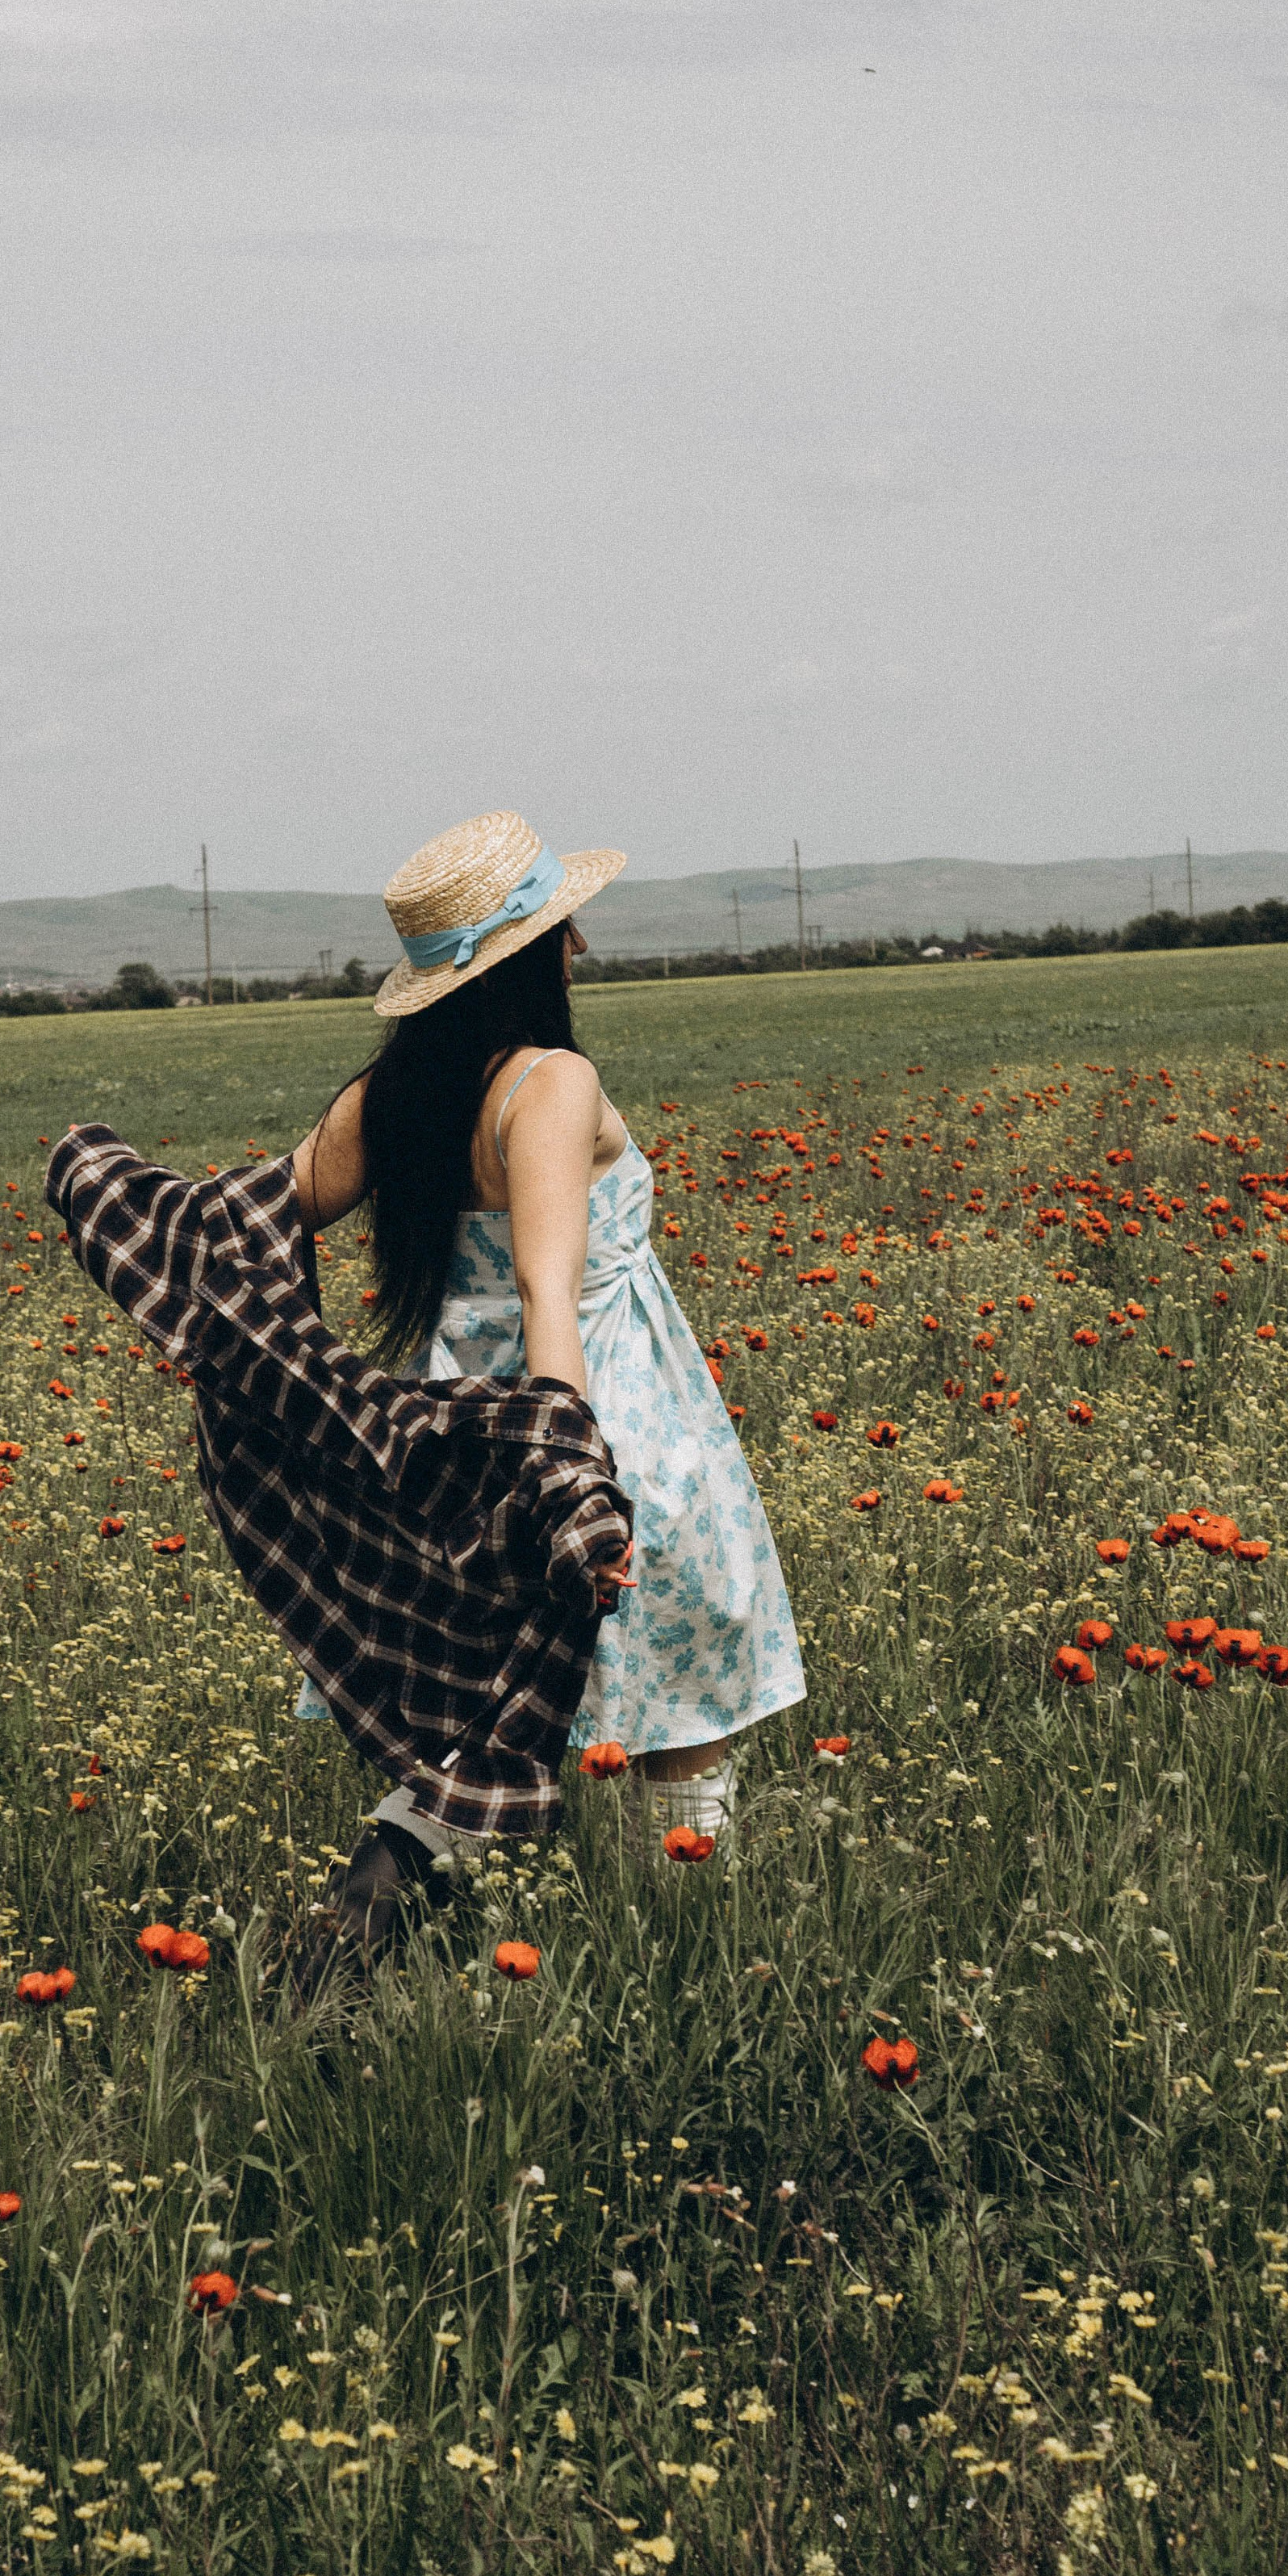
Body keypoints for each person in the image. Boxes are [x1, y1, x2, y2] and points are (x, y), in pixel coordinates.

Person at [291, 809, 804, 1920]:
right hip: (600, 1419)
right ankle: (692, 1959)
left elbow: (251, 1218)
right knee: (681, 1716)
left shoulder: (396, 1092)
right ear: (527, 953)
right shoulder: (550, 1084)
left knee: (466, 1736)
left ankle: (332, 1960)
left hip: (451, 1447)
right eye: (563, 927)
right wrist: (575, 1476)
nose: (581, 948)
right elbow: (546, 1292)